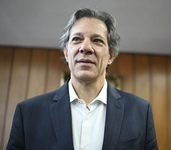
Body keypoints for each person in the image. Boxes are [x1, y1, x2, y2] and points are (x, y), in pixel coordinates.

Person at [6, 8, 158, 150]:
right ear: (66, 53)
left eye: (97, 40)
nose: (85, 47)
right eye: (77, 39)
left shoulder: (140, 111)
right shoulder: (28, 113)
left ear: (111, 56)